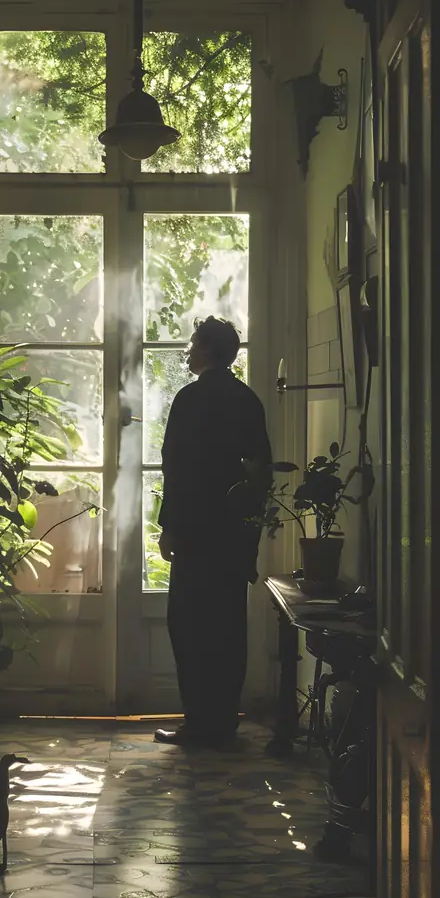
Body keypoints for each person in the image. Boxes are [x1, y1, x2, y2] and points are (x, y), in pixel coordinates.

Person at [154, 316, 272, 747]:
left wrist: (169, 527)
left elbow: (176, 470)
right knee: (228, 628)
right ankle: (223, 721)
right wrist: (250, 534)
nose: (187, 351)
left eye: (192, 343)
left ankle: (199, 722)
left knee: (188, 627)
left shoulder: (190, 399)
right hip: (233, 534)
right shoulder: (248, 400)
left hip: (195, 533)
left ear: (206, 349)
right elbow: (261, 472)